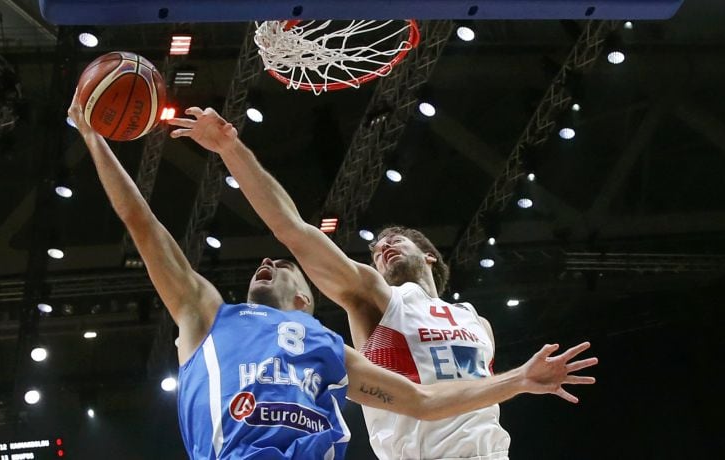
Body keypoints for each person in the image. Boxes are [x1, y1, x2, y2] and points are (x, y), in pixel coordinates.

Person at [168, 107, 599, 460]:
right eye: (376, 248)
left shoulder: (477, 322)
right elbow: (292, 229)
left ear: (429, 254)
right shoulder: (375, 298)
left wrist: (520, 379)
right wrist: (230, 147)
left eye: (395, 240)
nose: (383, 247)